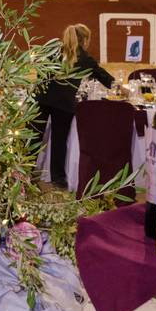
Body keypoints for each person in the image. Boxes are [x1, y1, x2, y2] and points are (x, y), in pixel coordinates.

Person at [37, 23, 113, 188]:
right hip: (64, 104)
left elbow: (39, 71)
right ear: (84, 40)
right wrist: (122, 87)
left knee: (34, 138)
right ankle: (58, 178)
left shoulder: (54, 50)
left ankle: (21, 174)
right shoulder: (85, 58)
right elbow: (107, 79)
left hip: (41, 99)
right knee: (59, 141)